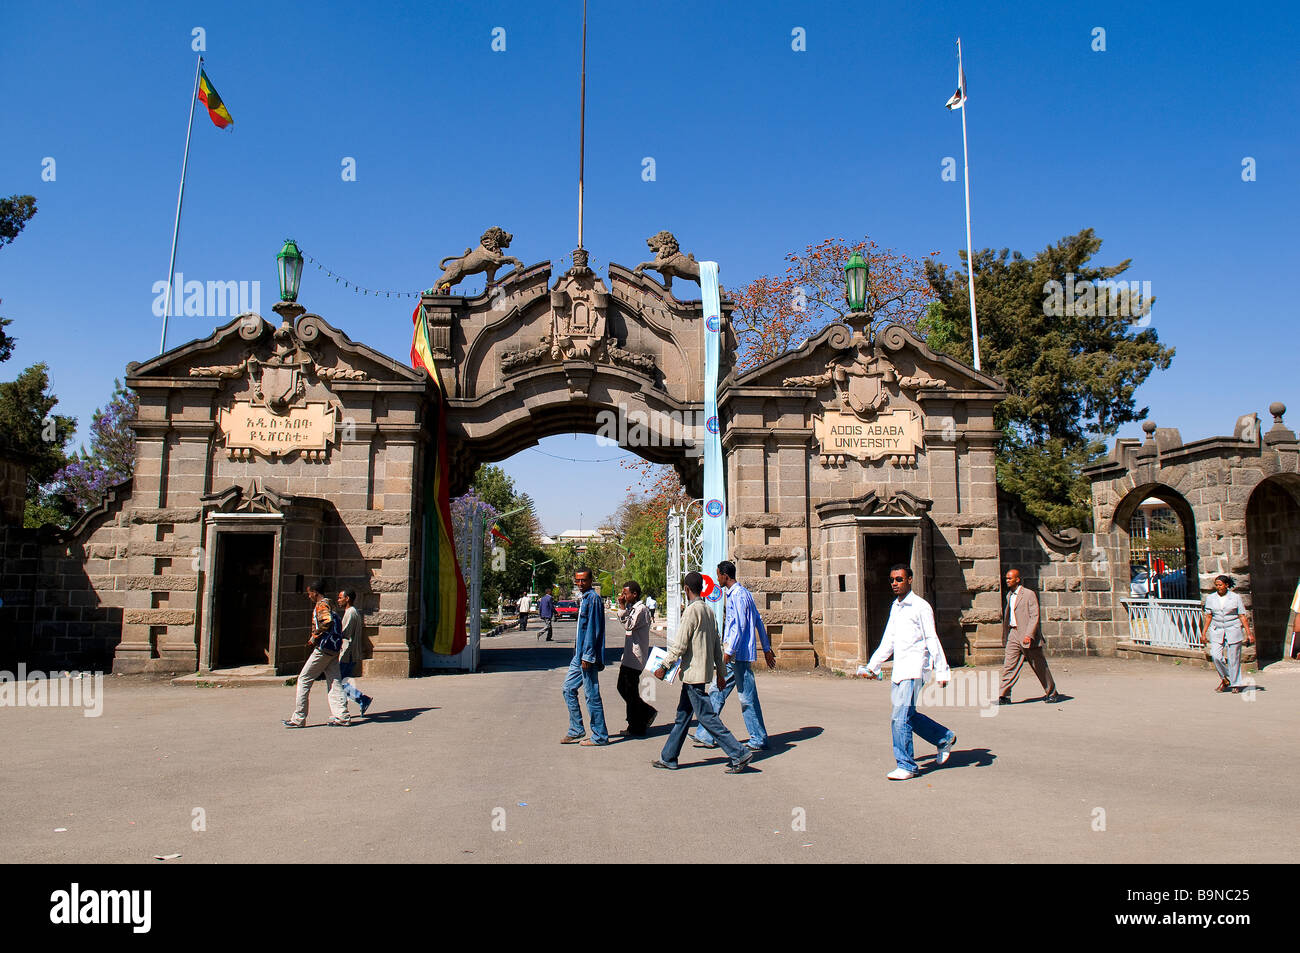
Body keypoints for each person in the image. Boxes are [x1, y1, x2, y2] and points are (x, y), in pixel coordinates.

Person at [651, 572, 755, 773]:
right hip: (702, 673)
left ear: (686, 589)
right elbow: (718, 645)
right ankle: (668, 757)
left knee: (707, 717)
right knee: (683, 716)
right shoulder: (708, 611)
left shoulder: (691, 612)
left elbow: (680, 645)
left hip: (693, 675)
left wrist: (664, 666)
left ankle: (739, 753)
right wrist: (721, 673)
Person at [864, 564, 956, 780]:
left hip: (915, 668)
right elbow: (889, 640)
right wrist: (873, 665)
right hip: (900, 669)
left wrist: (942, 671)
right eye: (892, 580)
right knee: (908, 716)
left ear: (910, 580)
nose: (895, 583)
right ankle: (944, 737)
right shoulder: (895, 607)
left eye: (899, 579)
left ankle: (906, 765)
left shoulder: (920, 606)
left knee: (899, 718)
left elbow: (932, 638)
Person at [693, 560, 775, 752]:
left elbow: (739, 626)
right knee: (716, 690)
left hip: (738, 655)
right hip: (735, 655)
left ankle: (758, 738)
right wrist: (767, 648)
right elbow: (758, 622)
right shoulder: (741, 594)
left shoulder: (738, 596)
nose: (717, 578)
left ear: (725, 576)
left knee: (747, 697)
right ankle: (705, 734)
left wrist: (729, 652)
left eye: (718, 575)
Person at [282, 580, 350, 728]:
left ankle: (298, 718)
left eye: (309, 593)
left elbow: (326, 621)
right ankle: (342, 716)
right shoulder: (330, 603)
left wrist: (314, 637)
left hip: (323, 649)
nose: (309, 596)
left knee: (304, 679)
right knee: (334, 681)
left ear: (315, 592)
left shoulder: (321, 605)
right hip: (333, 648)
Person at [561, 568, 608, 746]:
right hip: (579, 654)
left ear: (590, 580)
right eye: (577, 580)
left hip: (587, 656)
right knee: (568, 689)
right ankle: (576, 729)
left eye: (584, 580)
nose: (580, 584)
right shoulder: (585, 598)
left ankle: (600, 735)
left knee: (592, 695)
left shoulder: (593, 599)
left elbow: (593, 629)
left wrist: (588, 656)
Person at [998, 569, 1061, 704]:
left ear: (1017, 579)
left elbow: (1034, 616)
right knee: (1009, 665)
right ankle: (1004, 695)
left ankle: (1052, 692)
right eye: (1007, 578)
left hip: (1027, 634)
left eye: (1010, 578)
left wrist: (1029, 634)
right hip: (1013, 634)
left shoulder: (1028, 594)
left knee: (1038, 665)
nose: (1007, 580)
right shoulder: (1009, 595)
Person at [616, 581, 657, 736]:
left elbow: (628, 625)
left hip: (635, 659)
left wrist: (621, 608)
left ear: (634, 594)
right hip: (629, 656)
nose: (623, 596)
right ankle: (635, 722)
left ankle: (643, 717)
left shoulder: (641, 610)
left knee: (628, 690)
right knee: (627, 690)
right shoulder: (633, 608)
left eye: (626, 593)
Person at [1201, 575, 1254, 692]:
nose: (1218, 587)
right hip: (1217, 629)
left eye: (1220, 585)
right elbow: (1208, 616)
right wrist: (1203, 633)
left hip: (1233, 629)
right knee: (1216, 656)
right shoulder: (1211, 598)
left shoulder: (1235, 598)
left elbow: (1242, 616)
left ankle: (1235, 684)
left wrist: (1249, 633)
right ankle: (1226, 678)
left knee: (1233, 658)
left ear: (1226, 585)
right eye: (1217, 585)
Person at [336, 589, 374, 716]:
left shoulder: (351, 613)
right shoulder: (353, 612)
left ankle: (344, 709)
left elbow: (344, 633)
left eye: (341, 597)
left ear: (347, 599)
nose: (338, 600)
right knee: (341, 683)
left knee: (338, 683)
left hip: (348, 653)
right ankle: (361, 700)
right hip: (350, 653)